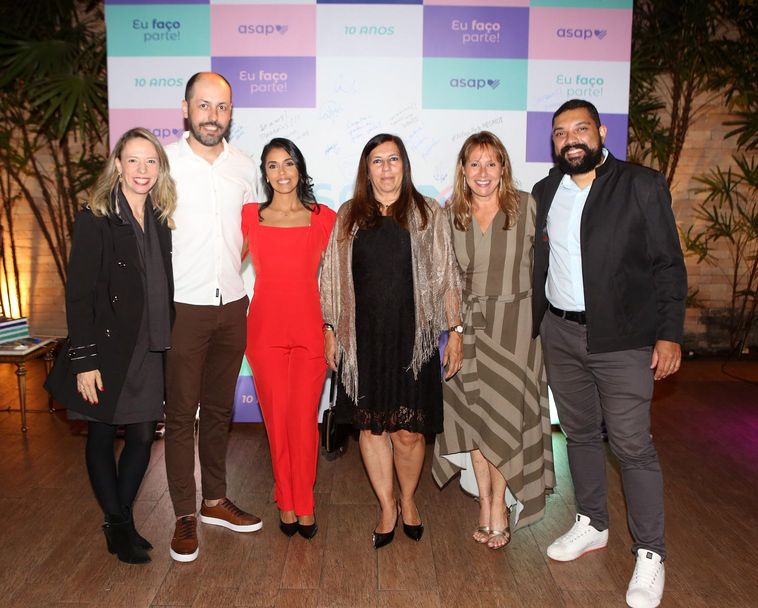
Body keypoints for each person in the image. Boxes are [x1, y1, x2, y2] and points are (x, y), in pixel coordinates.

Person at [532, 99, 686, 608]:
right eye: (560, 133)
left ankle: (651, 552)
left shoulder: (641, 185)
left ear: (600, 132)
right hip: (560, 333)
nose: (570, 139)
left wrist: (669, 334)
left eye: (580, 129)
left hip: (624, 340)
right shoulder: (546, 191)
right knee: (578, 434)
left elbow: (668, 264)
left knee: (631, 445)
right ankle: (592, 522)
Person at [321, 133, 462, 549]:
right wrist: (330, 329)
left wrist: (455, 331)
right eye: (377, 161)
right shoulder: (349, 215)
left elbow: (447, 274)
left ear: (404, 165)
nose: (386, 168)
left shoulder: (427, 212)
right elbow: (330, 275)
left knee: (408, 433)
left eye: (393, 159)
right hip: (363, 343)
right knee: (372, 430)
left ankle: (409, 499)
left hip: (412, 342)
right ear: (367, 170)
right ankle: (387, 506)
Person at [45, 127, 175, 564]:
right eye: (133, 160)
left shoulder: (160, 218)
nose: (142, 169)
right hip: (106, 348)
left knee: (142, 436)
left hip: (151, 345)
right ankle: (119, 526)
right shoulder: (95, 217)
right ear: (117, 164)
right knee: (101, 433)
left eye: (151, 161)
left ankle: (120, 519)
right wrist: (84, 360)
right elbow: (79, 295)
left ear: (160, 168)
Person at [433, 131, 555, 550]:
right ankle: (483, 502)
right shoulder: (451, 215)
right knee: (475, 420)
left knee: (505, 418)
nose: (482, 172)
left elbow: (550, 265)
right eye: (474, 164)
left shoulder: (527, 207)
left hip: (516, 327)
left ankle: (499, 505)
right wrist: (454, 331)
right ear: (463, 170)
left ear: (503, 166)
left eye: (491, 163)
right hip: (468, 328)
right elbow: (447, 283)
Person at [164, 72, 261, 563]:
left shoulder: (244, 165)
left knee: (220, 409)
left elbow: (250, 233)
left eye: (221, 107)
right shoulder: (164, 163)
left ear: (230, 113)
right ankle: (184, 513)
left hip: (233, 304)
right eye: (203, 105)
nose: (212, 116)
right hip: (182, 306)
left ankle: (215, 501)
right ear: (186, 109)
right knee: (182, 414)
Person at [242, 138, 336, 540]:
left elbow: (337, 280)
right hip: (264, 333)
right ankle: (286, 500)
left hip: (310, 332)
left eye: (288, 163)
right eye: (273, 165)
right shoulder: (250, 216)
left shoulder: (323, 218)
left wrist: (334, 329)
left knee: (303, 421)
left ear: (300, 168)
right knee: (276, 421)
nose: (281, 172)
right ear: (265, 174)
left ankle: (305, 503)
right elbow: (221, 263)